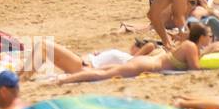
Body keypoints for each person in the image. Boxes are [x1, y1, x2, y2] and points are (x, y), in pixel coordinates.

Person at [55, 23, 210, 83]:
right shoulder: (190, 46)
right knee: (102, 75)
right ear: (201, 37)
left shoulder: (189, 46)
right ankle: (62, 81)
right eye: (208, 36)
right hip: (145, 65)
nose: (209, 38)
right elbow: (195, 69)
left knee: (100, 71)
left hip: (144, 63)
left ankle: (65, 77)